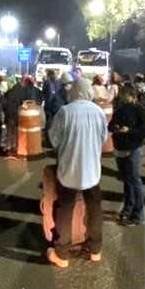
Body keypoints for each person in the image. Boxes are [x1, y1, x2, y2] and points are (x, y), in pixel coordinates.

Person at [46, 77, 108, 267]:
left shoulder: (65, 112)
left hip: (69, 170)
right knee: (94, 208)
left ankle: (62, 254)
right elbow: (104, 139)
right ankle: (95, 250)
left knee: (66, 208)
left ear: (73, 91)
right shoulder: (98, 112)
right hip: (92, 171)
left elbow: (54, 140)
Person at [110, 85, 145, 225]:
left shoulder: (140, 110)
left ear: (132, 96)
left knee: (134, 180)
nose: (122, 98)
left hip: (133, 148)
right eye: (121, 95)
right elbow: (110, 125)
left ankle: (138, 214)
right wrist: (115, 127)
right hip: (120, 148)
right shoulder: (120, 109)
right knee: (126, 180)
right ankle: (127, 208)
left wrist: (129, 131)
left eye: (124, 96)